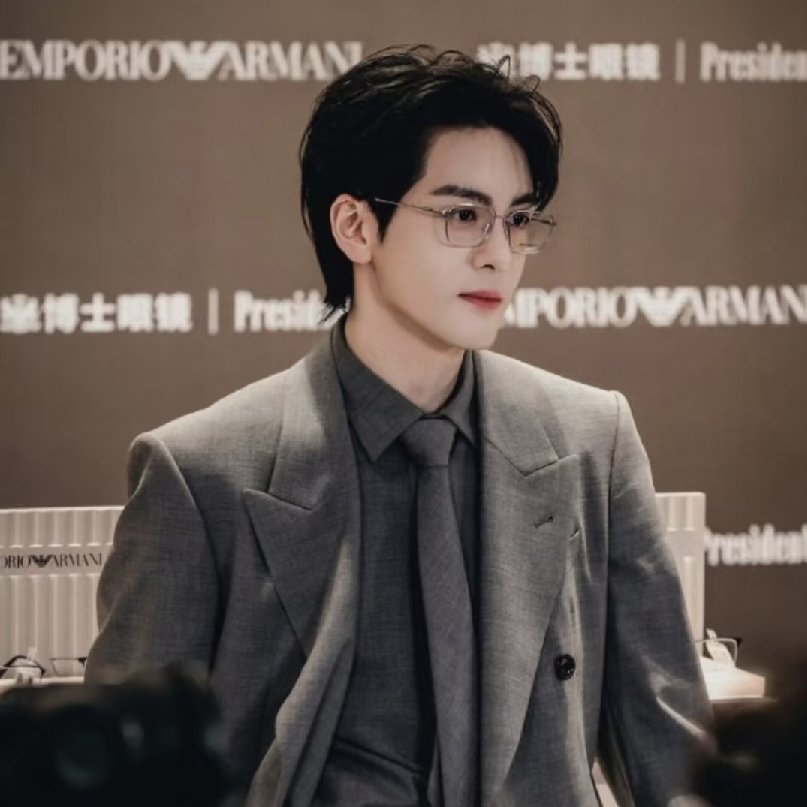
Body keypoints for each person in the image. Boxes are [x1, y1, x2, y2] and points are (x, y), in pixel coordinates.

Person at [86, 45, 711, 807]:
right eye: (461, 215)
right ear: (355, 226)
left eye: (517, 220)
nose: (499, 254)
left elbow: (672, 757)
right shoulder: (201, 472)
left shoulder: (591, 439)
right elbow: (129, 781)